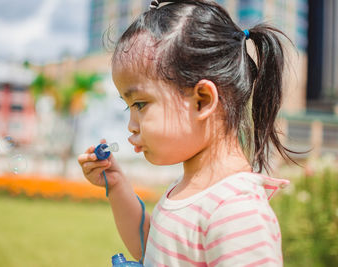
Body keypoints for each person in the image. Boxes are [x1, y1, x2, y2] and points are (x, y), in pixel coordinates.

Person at [78, 0, 296, 265]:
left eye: (140, 104)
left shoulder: (235, 210)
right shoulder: (188, 192)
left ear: (201, 100)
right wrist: (116, 185)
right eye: (128, 108)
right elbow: (153, 250)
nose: (131, 125)